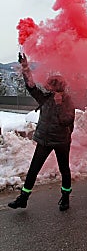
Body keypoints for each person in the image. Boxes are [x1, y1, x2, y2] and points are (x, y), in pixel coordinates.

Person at [8, 53, 75, 211]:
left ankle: (65, 198)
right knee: (33, 169)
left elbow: (67, 121)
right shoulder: (45, 98)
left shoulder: (68, 101)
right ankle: (23, 198)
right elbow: (31, 87)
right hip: (44, 140)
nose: (48, 88)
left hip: (61, 142)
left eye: (51, 86)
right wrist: (25, 68)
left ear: (58, 87)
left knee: (64, 170)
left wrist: (59, 105)